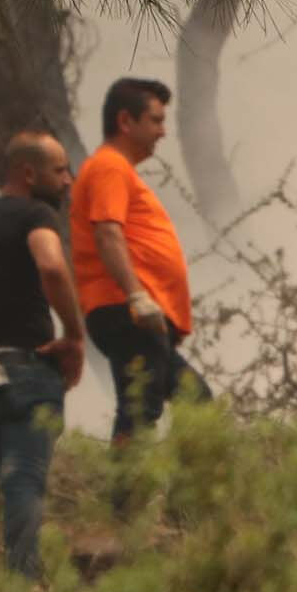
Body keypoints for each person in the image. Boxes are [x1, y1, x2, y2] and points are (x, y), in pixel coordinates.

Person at [0, 130, 85, 579]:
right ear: (29, 172)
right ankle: (23, 587)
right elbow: (50, 265)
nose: (68, 180)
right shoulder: (35, 213)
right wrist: (74, 335)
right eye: (60, 170)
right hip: (26, 371)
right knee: (25, 477)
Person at [71, 76, 198, 445]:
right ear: (126, 122)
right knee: (139, 411)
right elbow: (107, 232)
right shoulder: (109, 166)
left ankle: (184, 503)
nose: (163, 132)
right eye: (156, 120)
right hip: (126, 311)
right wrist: (137, 296)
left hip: (139, 316)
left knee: (197, 401)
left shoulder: (117, 170)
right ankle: (122, 500)